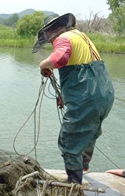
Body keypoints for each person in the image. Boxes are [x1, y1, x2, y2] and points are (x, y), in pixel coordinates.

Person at [33, 13, 115, 184]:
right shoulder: (81, 36)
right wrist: (64, 97)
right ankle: (83, 168)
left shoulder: (63, 38)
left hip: (87, 98)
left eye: (48, 36)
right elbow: (83, 73)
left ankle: (74, 186)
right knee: (89, 132)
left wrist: (43, 64)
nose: (48, 41)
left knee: (69, 141)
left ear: (53, 30)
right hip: (104, 95)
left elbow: (59, 58)